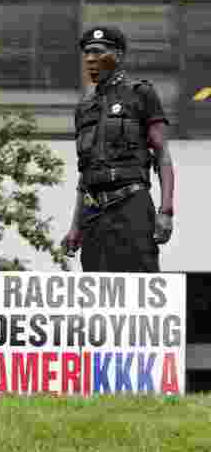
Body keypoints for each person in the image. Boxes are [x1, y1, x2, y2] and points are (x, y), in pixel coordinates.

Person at [61, 26, 176, 272]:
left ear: (119, 55)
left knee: (140, 287)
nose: (90, 59)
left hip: (131, 203)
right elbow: (85, 175)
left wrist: (166, 211)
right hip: (93, 213)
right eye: (87, 53)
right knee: (96, 293)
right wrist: (75, 227)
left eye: (98, 52)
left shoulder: (141, 94)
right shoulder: (84, 108)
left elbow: (163, 154)